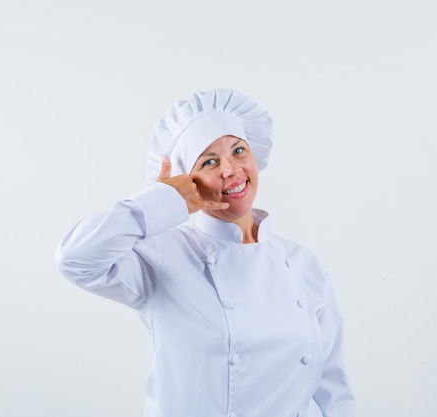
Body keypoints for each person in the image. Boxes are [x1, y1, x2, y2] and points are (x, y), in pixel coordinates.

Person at [54, 88, 355, 417]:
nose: (231, 169)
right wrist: (159, 201)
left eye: (239, 151)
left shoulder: (304, 265)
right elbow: (75, 259)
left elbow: (333, 389)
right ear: (187, 180)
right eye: (209, 161)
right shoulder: (162, 255)